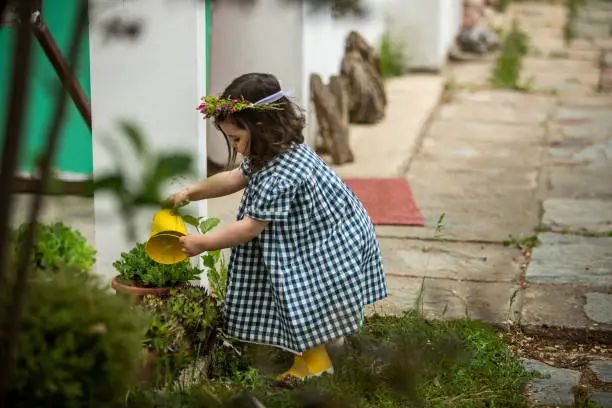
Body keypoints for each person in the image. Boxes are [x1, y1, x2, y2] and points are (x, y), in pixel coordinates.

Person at [168, 73, 387, 381]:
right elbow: (234, 178)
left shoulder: (281, 176)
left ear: (261, 128)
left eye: (236, 139)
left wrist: (203, 243)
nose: (235, 147)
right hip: (318, 231)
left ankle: (314, 366)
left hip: (329, 238)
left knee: (300, 295)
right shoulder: (271, 151)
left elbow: (249, 228)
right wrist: (193, 191)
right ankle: (328, 340)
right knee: (312, 296)